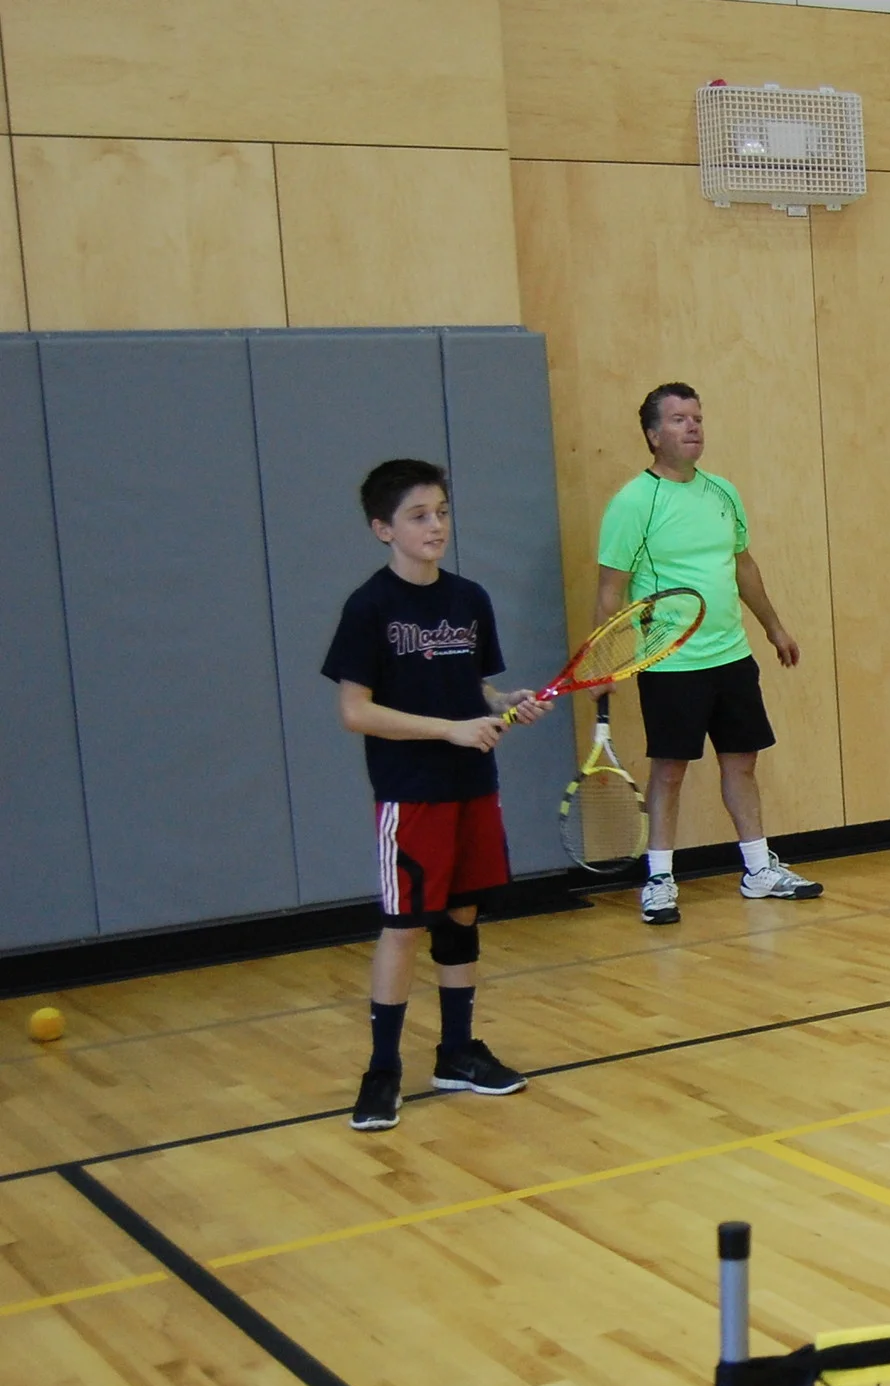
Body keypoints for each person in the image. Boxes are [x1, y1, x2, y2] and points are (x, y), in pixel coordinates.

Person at [322, 459, 549, 1133]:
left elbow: (470, 688)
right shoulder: (369, 608)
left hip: (474, 787)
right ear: (381, 528)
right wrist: (449, 730)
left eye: (443, 512)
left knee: (463, 917)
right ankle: (383, 1069)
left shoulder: (468, 599)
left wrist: (503, 701)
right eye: (419, 516)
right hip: (410, 791)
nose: (436, 526)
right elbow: (355, 712)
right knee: (404, 928)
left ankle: (458, 1052)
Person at [595, 383, 822, 924]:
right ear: (653, 435)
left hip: (732, 655)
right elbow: (610, 590)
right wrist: (604, 662)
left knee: (742, 762)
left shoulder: (723, 492)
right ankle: (659, 879)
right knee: (670, 771)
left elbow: (743, 565)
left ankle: (757, 869)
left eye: (696, 417)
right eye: (678, 419)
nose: (692, 426)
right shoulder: (633, 503)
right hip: (671, 661)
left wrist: (774, 627)